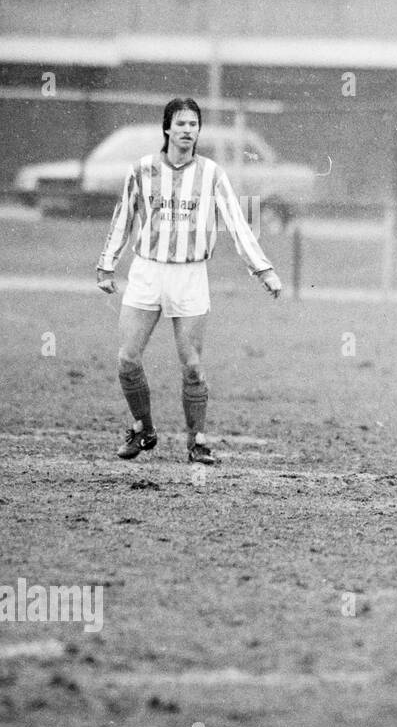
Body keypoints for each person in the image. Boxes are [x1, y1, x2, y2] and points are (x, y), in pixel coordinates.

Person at [95, 97, 282, 466]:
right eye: (180, 124)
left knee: (192, 364)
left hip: (190, 275)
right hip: (147, 271)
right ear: (167, 128)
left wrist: (263, 269)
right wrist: (106, 264)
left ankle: (196, 441)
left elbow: (236, 222)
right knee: (127, 359)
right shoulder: (143, 170)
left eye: (193, 124)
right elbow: (123, 217)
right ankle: (143, 429)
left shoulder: (212, 174)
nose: (187, 130)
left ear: (199, 131)